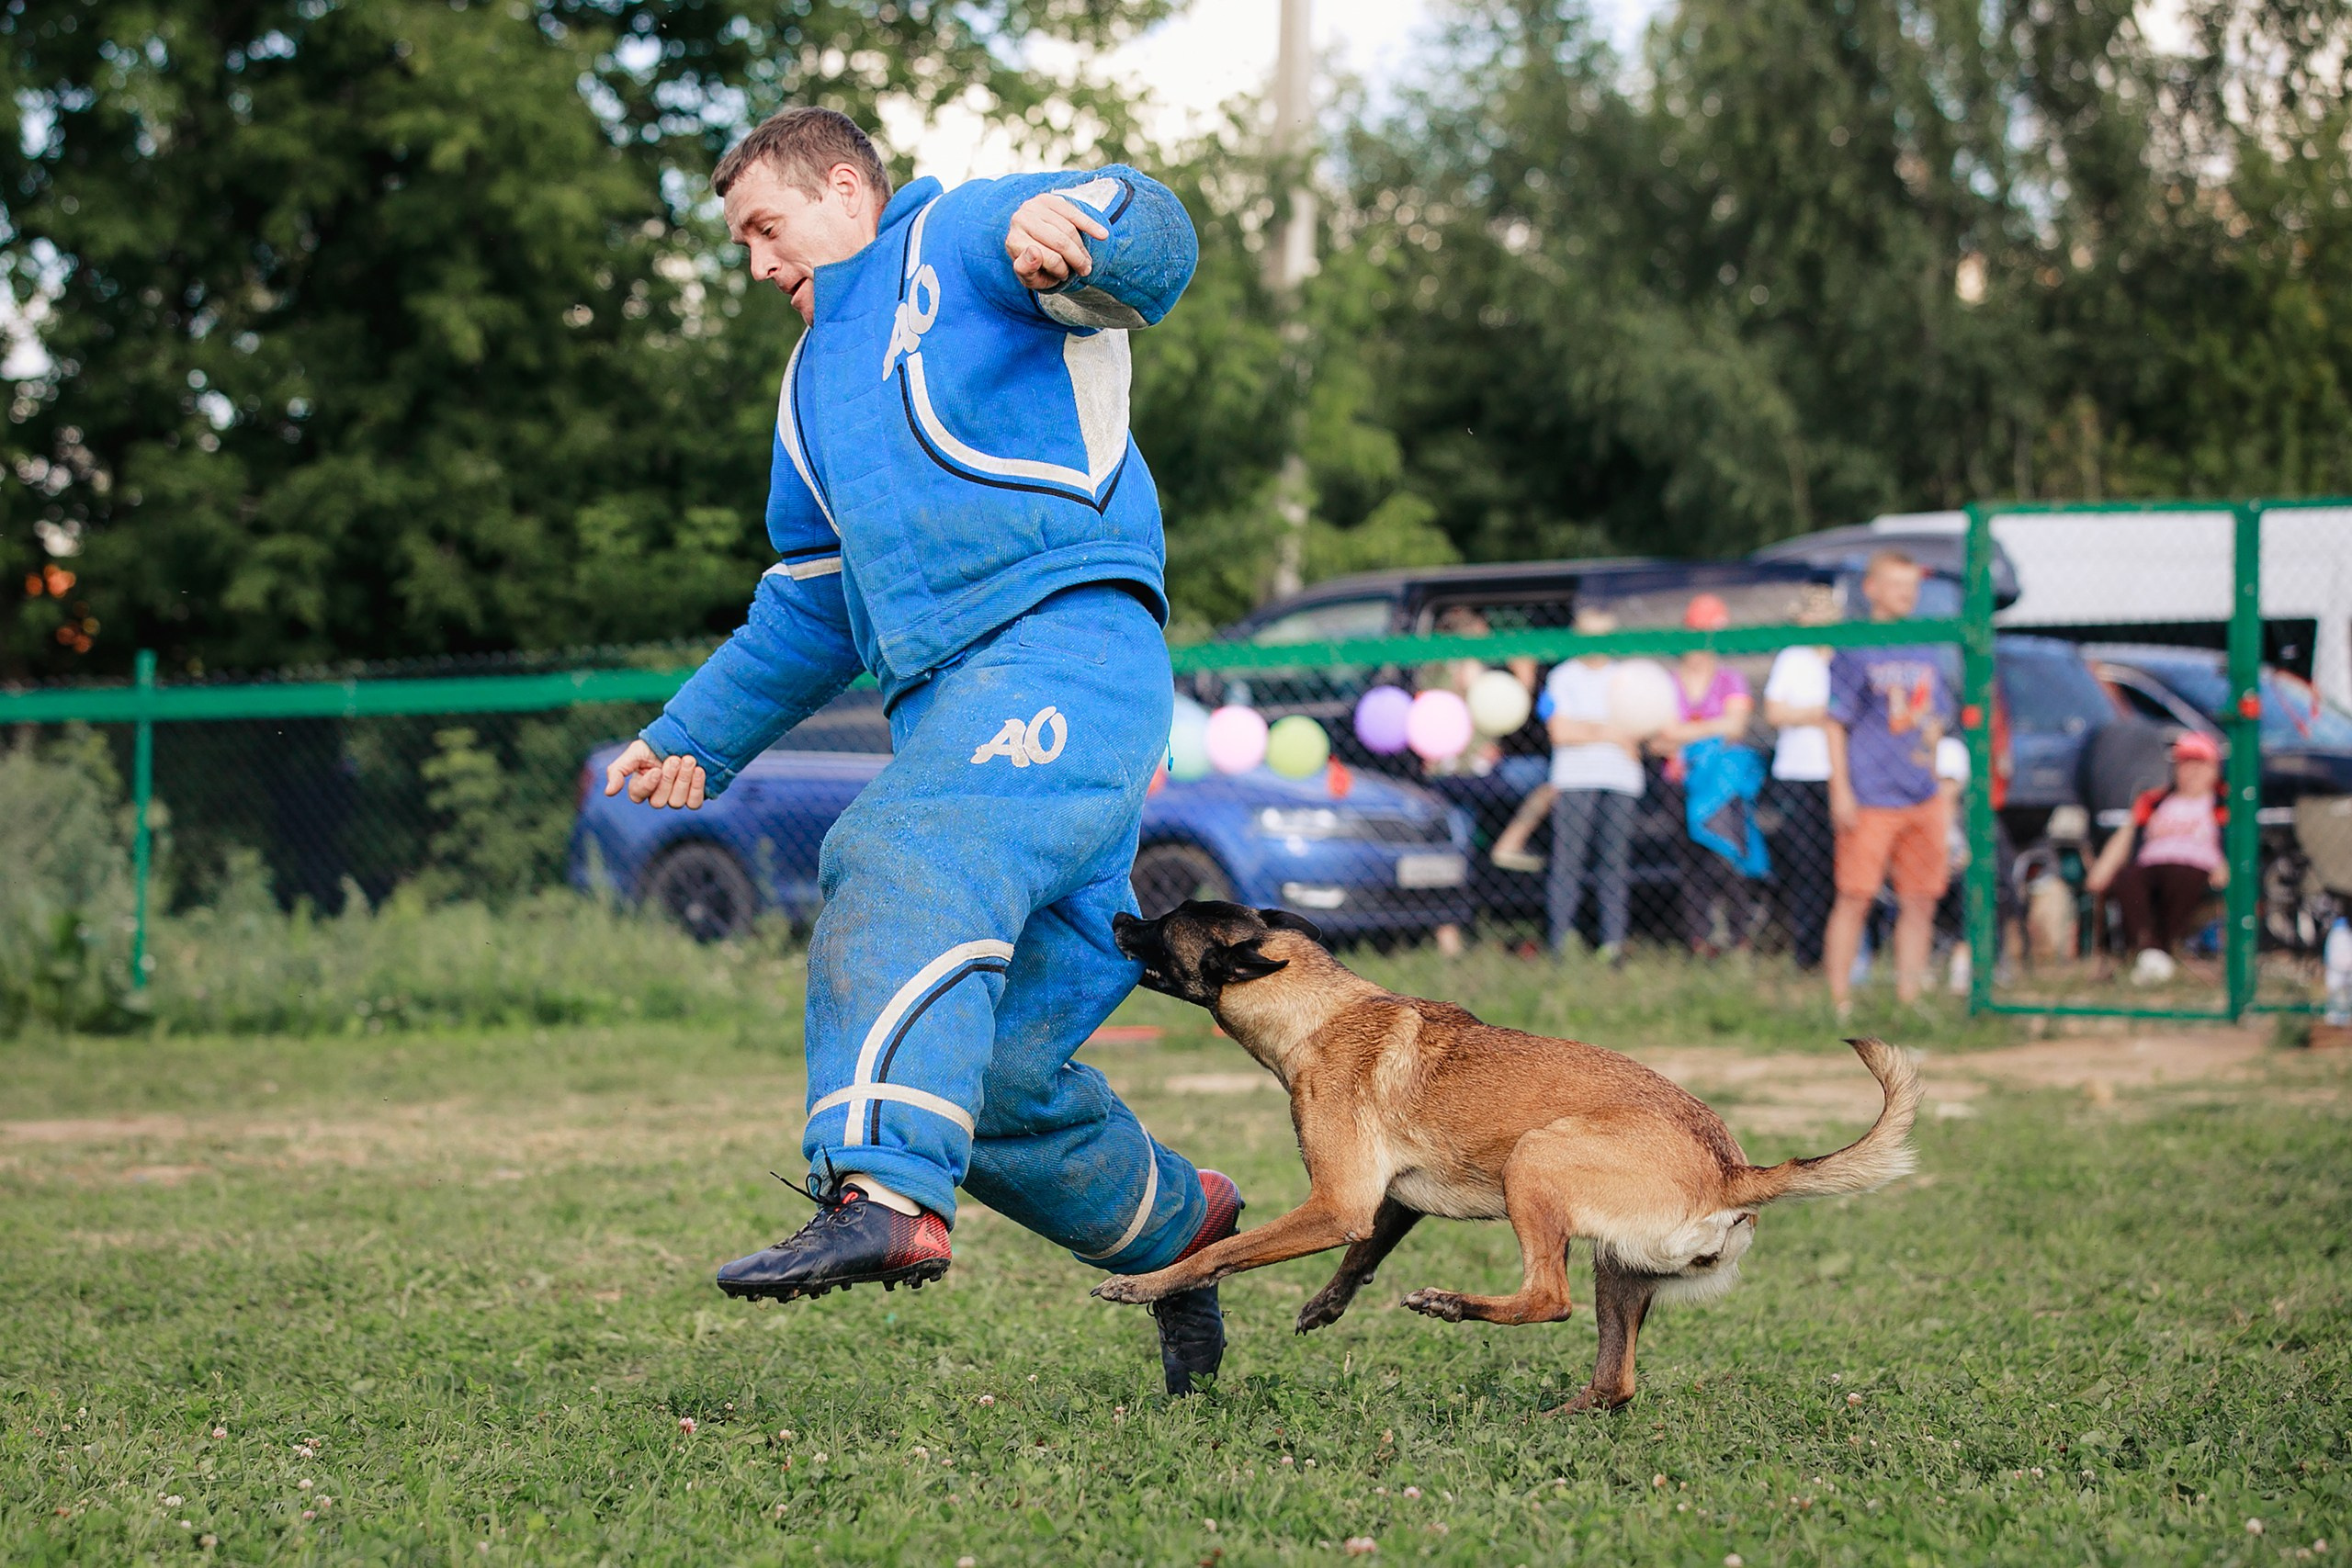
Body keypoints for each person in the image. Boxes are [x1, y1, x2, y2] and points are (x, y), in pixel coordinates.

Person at [598, 107, 1241, 1394]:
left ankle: (882, 1188)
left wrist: (1087, 231)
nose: (757, 264)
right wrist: (696, 734)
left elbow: (1152, 232)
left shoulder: (963, 231)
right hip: (961, 708)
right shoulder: (804, 393)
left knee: (896, 844)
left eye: (765, 229)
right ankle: (1189, 1227)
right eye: (738, 244)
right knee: (995, 1080)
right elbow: (813, 598)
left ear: (846, 189)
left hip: (1067, 655)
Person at [1822, 550, 1956, 1015]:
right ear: (1872, 588)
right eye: (1897, 584)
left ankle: (1909, 998)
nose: (1907, 593)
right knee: (1855, 898)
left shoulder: (1926, 644)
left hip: (1922, 792)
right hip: (1870, 795)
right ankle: (1839, 1000)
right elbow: (1834, 722)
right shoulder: (1855, 645)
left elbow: (1933, 717)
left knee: (1920, 900)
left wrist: (1938, 771)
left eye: (1912, 585)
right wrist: (1840, 788)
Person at [1651, 594, 1758, 954]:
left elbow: (1737, 727)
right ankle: (1700, 939)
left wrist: (1682, 733)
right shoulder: (1667, 682)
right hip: (1680, 781)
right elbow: (1657, 739)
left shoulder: (1730, 679)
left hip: (1719, 786)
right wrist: (1713, 729)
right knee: (1692, 864)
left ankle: (1739, 936)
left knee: (1727, 860)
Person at [1538, 606, 1644, 959]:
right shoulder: (1562, 676)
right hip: (1574, 779)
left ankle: (1612, 945)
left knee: (1614, 865)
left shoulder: (1628, 677)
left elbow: (1641, 728)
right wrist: (1612, 732)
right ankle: (1559, 945)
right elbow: (1561, 732)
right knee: (1568, 863)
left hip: (1620, 779)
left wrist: (1589, 729)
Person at [2085, 731, 2228, 984]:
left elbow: (2234, 842)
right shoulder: (2154, 801)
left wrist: (2226, 868)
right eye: (2185, 763)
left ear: (2213, 768)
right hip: (2150, 864)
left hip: (2196, 866)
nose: (2191, 771)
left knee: (2182, 876)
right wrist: (2102, 871)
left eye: (2199, 763)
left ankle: (2163, 950)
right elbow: (2126, 835)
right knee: (2128, 880)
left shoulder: (2222, 803)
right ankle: (2147, 951)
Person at [1760, 584, 1839, 969]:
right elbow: (1775, 712)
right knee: (1806, 867)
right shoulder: (1793, 658)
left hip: (1839, 774)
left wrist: (1814, 713)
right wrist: (1820, 714)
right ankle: (1807, 956)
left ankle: (1845, 952)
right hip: (1798, 773)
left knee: (1841, 867)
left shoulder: (1843, 657)